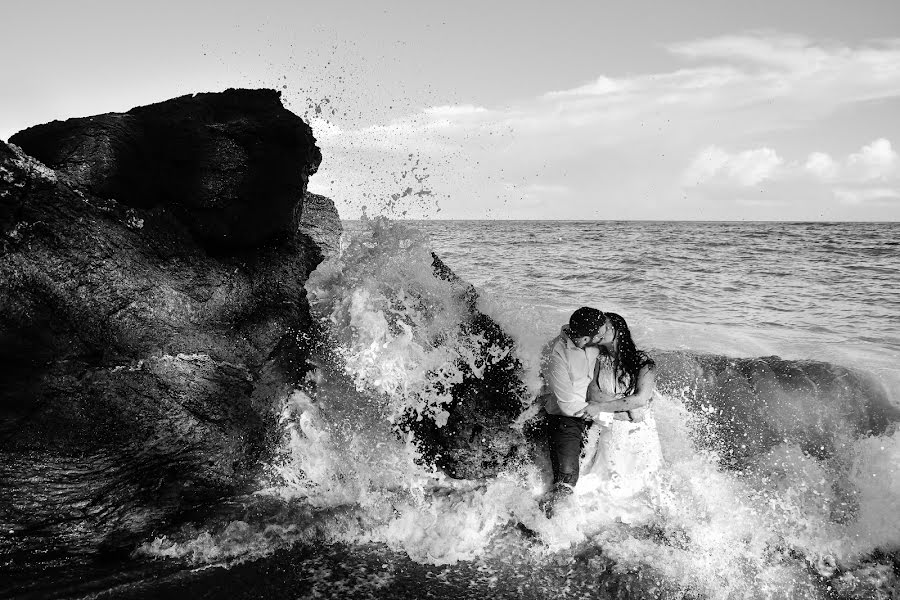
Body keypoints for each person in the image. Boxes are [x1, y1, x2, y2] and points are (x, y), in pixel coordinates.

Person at [577, 312, 663, 502]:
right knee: (608, 483)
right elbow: (593, 393)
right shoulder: (600, 359)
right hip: (612, 425)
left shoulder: (644, 363)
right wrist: (626, 407)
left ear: (619, 331)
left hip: (638, 431)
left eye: (605, 327)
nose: (600, 331)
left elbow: (640, 399)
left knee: (644, 483)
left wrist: (604, 407)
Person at [539, 306, 606, 513]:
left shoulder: (595, 345)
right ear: (586, 338)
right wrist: (606, 414)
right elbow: (566, 404)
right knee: (567, 479)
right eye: (601, 333)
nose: (605, 335)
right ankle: (551, 526)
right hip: (565, 418)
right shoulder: (556, 352)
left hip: (592, 414)